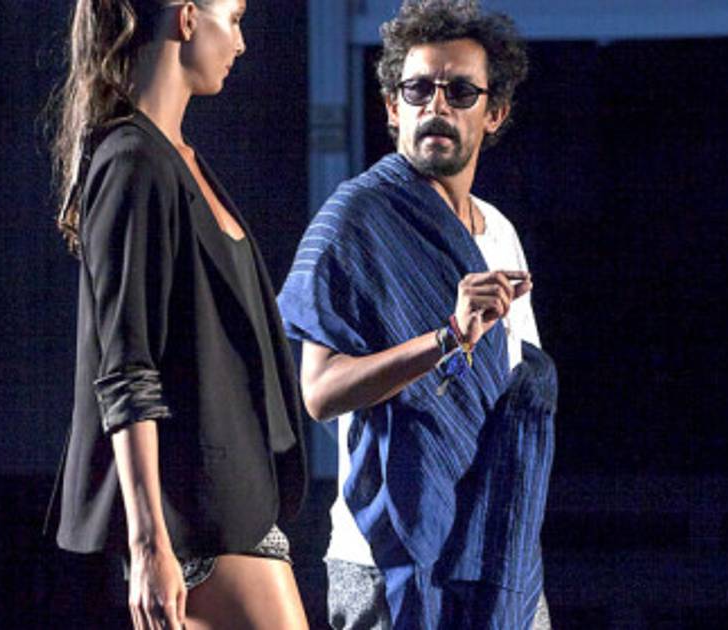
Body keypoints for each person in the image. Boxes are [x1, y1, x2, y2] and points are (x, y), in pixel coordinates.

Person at [278, 1, 554, 628]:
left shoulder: (500, 233)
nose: (437, 106)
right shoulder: (355, 222)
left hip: (496, 554)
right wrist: (448, 337)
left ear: (494, 112)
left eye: (460, 92)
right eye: (418, 89)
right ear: (391, 107)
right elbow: (319, 393)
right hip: (386, 557)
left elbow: (512, 394)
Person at [44, 1, 309, 628]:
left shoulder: (174, 157)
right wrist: (148, 545)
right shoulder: (133, 162)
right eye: (234, 18)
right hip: (193, 512)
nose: (240, 43)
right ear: (188, 18)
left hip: (235, 500)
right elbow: (125, 368)